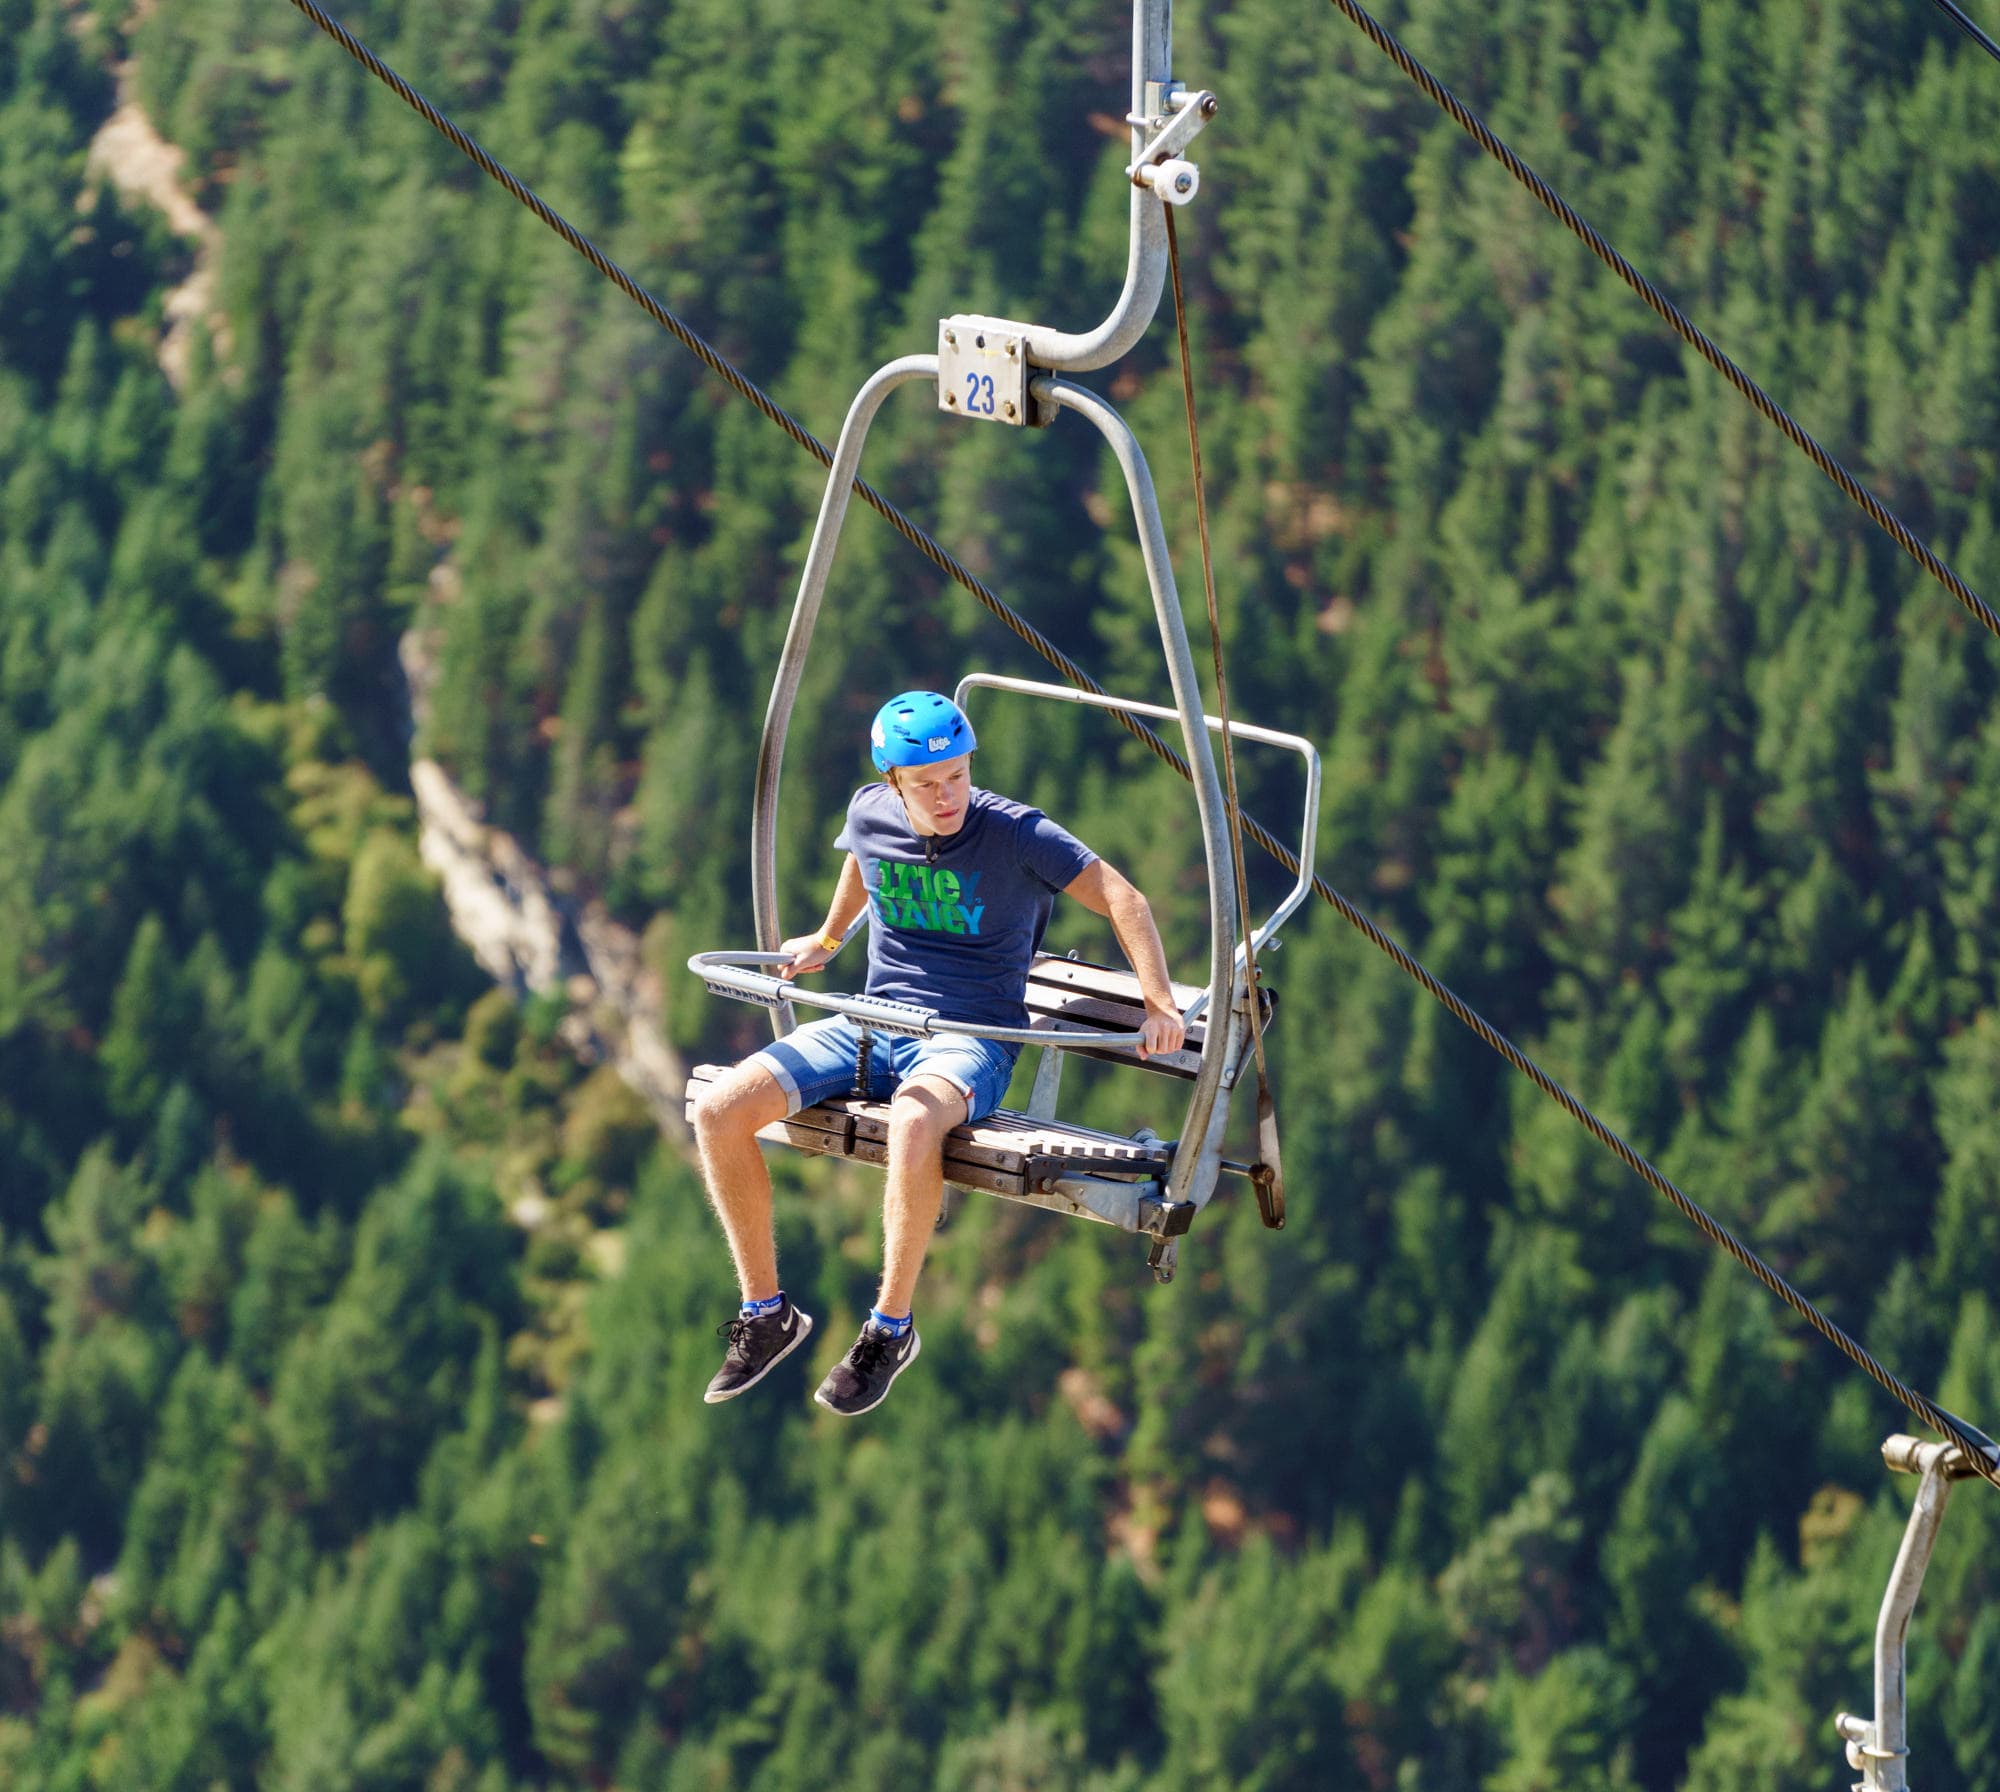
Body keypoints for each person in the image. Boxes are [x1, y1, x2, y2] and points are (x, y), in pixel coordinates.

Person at [689, 690, 1188, 1416]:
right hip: (872, 1020)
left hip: (971, 1037)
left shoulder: (1016, 833)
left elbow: (1124, 898)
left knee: (916, 1121)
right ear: (894, 783)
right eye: (927, 784)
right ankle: (767, 1312)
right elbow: (863, 859)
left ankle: (889, 1329)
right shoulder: (869, 811)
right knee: (716, 1110)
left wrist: (1160, 1002)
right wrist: (828, 939)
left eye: (958, 775)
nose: (948, 794)